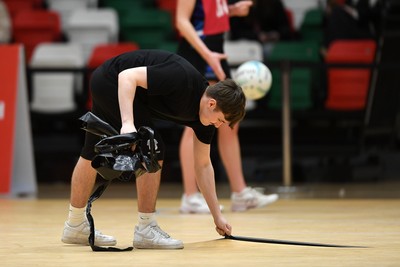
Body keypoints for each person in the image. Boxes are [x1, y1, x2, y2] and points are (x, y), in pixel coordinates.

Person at [61, 49, 246, 249]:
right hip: (112, 80)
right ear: (211, 103)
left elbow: (202, 166)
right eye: (220, 120)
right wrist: (127, 124)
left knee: (91, 153)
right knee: (153, 148)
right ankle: (145, 229)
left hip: (111, 84)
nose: (218, 125)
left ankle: (75, 225)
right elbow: (127, 76)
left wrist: (217, 217)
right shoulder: (181, 78)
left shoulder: (206, 122)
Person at [176, 0, 278, 214]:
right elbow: (182, 21)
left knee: (230, 121)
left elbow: (205, 16)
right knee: (194, 124)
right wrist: (207, 55)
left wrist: (231, 11)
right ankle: (190, 196)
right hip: (199, 55)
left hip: (215, 52)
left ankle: (240, 193)